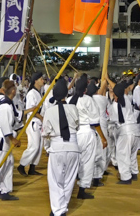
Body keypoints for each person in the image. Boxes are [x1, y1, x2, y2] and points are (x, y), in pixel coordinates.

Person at [44, 78, 80, 216]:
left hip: (57, 146)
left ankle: (58, 210)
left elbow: (45, 133)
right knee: (69, 180)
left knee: (55, 181)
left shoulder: (49, 111)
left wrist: (47, 148)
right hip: (72, 146)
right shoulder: (73, 108)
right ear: (66, 93)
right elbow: (77, 126)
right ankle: (61, 208)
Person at [71, 74, 107, 194]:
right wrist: (103, 138)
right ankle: (82, 189)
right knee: (87, 161)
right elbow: (95, 122)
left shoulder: (71, 99)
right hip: (87, 132)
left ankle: (74, 184)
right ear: (85, 89)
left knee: (77, 160)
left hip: (75, 133)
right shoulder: (87, 100)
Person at [112, 80, 140, 184]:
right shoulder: (127, 99)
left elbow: (113, 120)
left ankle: (126, 178)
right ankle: (134, 173)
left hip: (125, 131)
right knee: (132, 154)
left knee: (122, 154)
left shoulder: (115, 105)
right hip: (135, 129)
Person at [18, 72, 45, 176]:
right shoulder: (31, 93)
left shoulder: (39, 92)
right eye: (41, 79)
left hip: (39, 123)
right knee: (34, 146)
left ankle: (32, 167)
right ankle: (22, 165)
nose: (43, 80)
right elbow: (32, 111)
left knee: (39, 146)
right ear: (36, 80)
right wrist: (42, 118)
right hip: (33, 122)